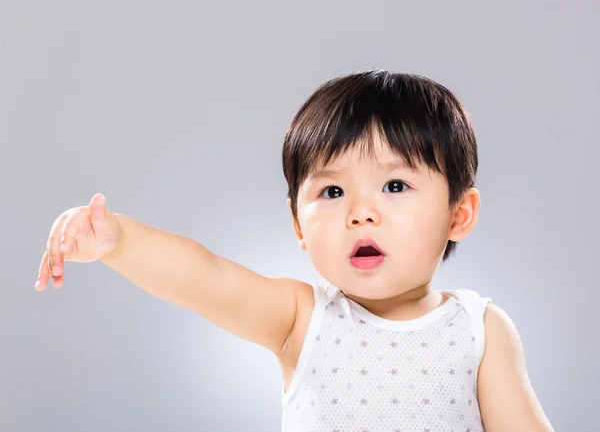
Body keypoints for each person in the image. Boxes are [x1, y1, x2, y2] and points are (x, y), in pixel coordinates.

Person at [34, 69, 554, 431]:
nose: (360, 212)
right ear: (298, 226)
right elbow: (205, 278)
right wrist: (120, 240)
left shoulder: (477, 329)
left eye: (394, 186)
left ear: (458, 214)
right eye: (332, 192)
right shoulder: (302, 320)